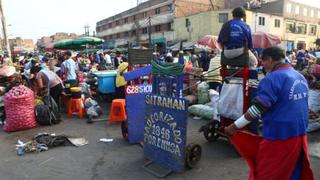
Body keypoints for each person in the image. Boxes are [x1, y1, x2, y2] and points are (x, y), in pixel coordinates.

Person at [224, 46, 315, 180]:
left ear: (271, 60)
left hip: (280, 138)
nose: (263, 65)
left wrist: (234, 126)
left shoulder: (272, 79)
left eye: (264, 61)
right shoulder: (299, 76)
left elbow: (257, 109)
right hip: (300, 135)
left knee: (267, 174)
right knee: (293, 172)